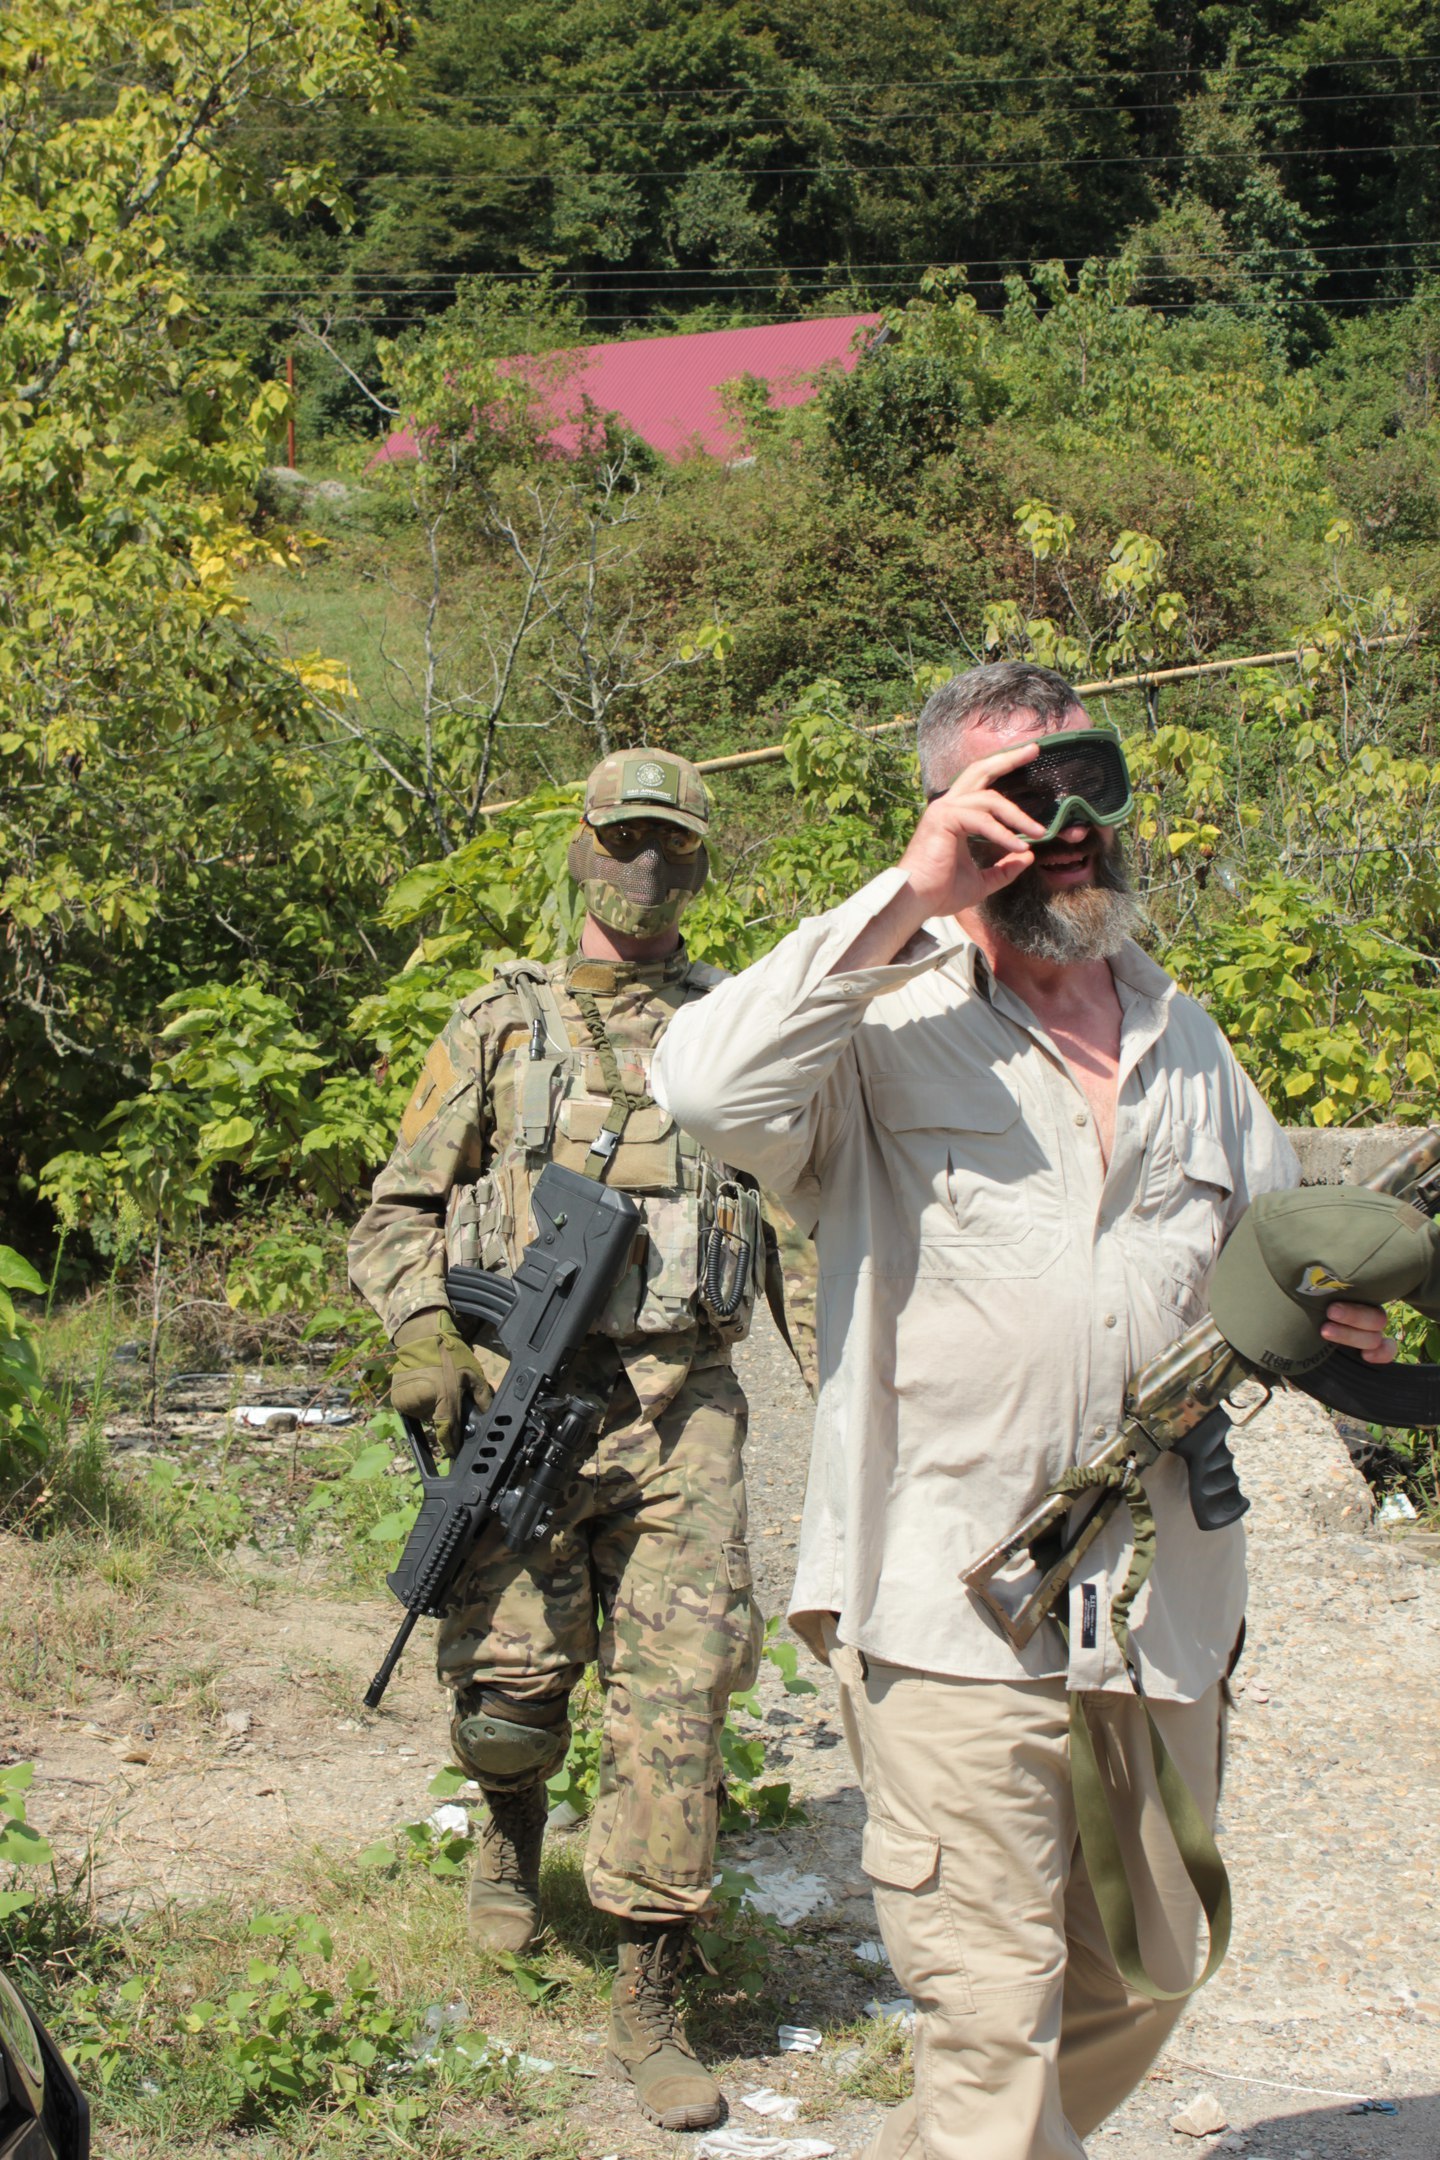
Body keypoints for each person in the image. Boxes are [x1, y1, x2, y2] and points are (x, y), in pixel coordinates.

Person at [649, 662, 1398, 2160]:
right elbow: (709, 1095)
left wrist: (1329, 1323)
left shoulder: (1189, 1038)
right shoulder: (878, 1027)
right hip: (948, 1605)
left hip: (1159, 1604)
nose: (1056, 828)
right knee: (993, 2011)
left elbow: (1260, 1254)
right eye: (1009, 797)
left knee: (1151, 1967)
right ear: (945, 813)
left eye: (1078, 790)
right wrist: (910, 895)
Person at [348, 748, 767, 2135]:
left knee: (680, 1692)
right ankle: (508, 1825)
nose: (646, 870)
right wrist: (423, 1333)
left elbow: (809, 1236)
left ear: (702, 865)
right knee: (510, 1695)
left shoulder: (743, 1030)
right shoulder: (496, 1027)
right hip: (526, 1400)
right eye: (624, 841)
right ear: (583, 849)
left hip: (680, 1405)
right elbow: (395, 1215)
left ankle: (652, 1985)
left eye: (675, 847)